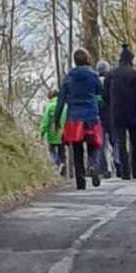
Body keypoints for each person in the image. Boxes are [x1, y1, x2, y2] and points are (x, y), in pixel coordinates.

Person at [54, 47, 104, 190]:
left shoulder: (68, 77)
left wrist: (56, 119)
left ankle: (80, 181)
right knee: (94, 144)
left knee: (77, 149)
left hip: (74, 117)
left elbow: (61, 100)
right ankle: (93, 165)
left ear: (75, 61)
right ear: (87, 59)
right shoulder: (93, 75)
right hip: (91, 115)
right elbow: (100, 92)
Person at [104, 43, 136, 180]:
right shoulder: (135, 74)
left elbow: (105, 96)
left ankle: (125, 171)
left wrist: (110, 109)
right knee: (134, 140)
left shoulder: (111, 74)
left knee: (121, 142)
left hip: (117, 112)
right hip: (133, 112)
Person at [39, 87, 66, 175]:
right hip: (63, 133)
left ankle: (57, 163)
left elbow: (45, 121)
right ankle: (63, 170)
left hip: (53, 133)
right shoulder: (64, 105)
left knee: (52, 151)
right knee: (62, 152)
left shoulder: (49, 106)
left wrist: (42, 133)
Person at [95, 60, 114, 179]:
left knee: (101, 143)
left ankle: (103, 168)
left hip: (99, 115)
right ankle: (119, 163)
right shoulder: (112, 81)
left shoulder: (96, 82)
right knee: (115, 141)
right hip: (111, 114)